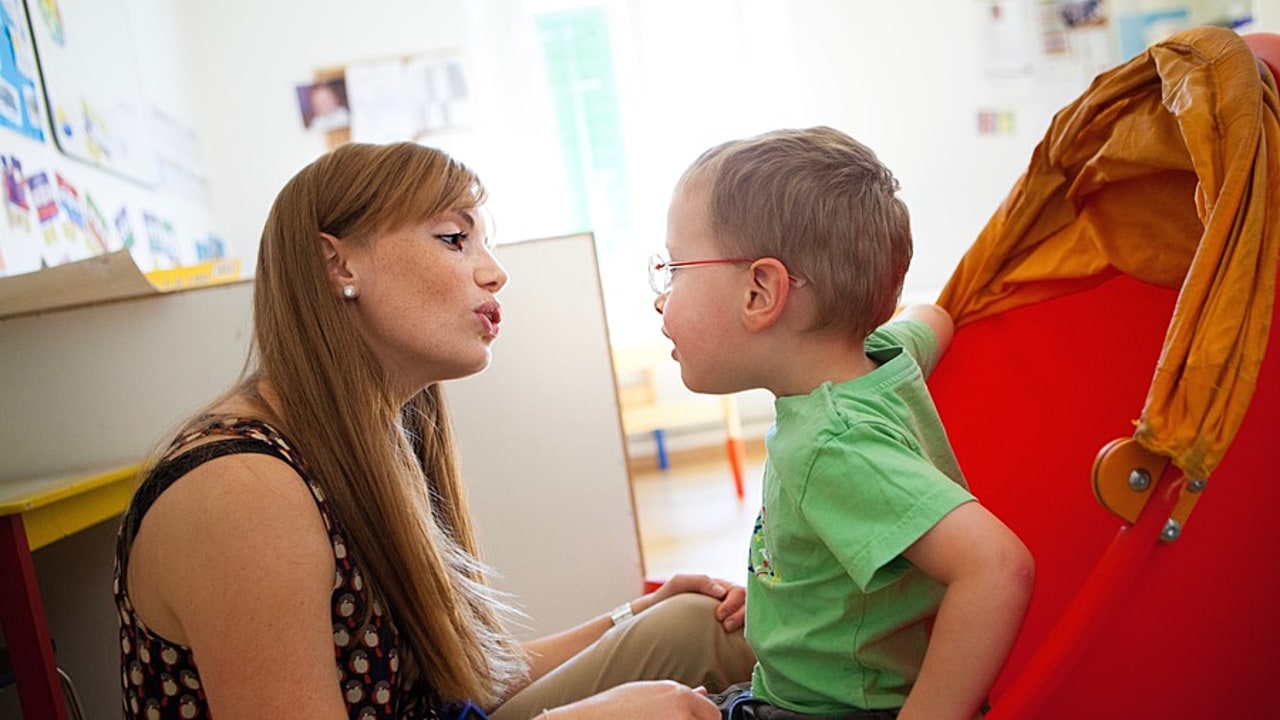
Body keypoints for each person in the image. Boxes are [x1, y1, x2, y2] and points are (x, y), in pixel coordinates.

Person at [114, 141, 754, 720]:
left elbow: (459, 682)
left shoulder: (378, 436)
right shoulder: (241, 489)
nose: (494, 272)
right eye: (455, 238)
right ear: (337, 266)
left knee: (702, 624)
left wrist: (639, 611)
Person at [651, 127, 1035, 720]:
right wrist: (790, 603)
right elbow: (935, 317)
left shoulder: (831, 445)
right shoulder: (884, 355)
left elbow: (996, 567)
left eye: (674, 268)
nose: (659, 296)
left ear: (761, 291)